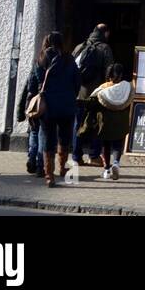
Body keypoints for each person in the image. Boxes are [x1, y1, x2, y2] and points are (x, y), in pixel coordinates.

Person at [31, 32, 79, 187]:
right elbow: (77, 82)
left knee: (47, 139)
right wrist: (70, 95)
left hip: (48, 106)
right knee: (64, 138)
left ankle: (49, 175)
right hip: (66, 105)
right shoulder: (69, 60)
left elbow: (34, 83)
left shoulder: (41, 59)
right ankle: (62, 167)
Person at [71, 24, 114, 166]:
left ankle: (76, 157)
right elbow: (110, 72)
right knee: (97, 125)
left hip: (78, 94)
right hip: (96, 95)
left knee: (78, 125)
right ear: (106, 33)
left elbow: (71, 68)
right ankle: (94, 156)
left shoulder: (79, 47)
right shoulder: (105, 49)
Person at [82, 62, 132, 181]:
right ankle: (116, 163)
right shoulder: (128, 87)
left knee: (106, 145)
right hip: (121, 121)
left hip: (105, 122)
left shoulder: (103, 89)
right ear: (121, 75)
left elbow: (91, 102)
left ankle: (106, 170)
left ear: (109, 75)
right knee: (117, 144)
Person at [17, 63, 43, 175]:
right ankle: (40, 165)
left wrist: (22, 110)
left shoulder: (37, 66)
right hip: (48, 106)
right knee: (44, 136)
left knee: (34, 132)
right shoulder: (59, 64)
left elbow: (28, 89)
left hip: (34, 105)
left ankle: (32, 159)